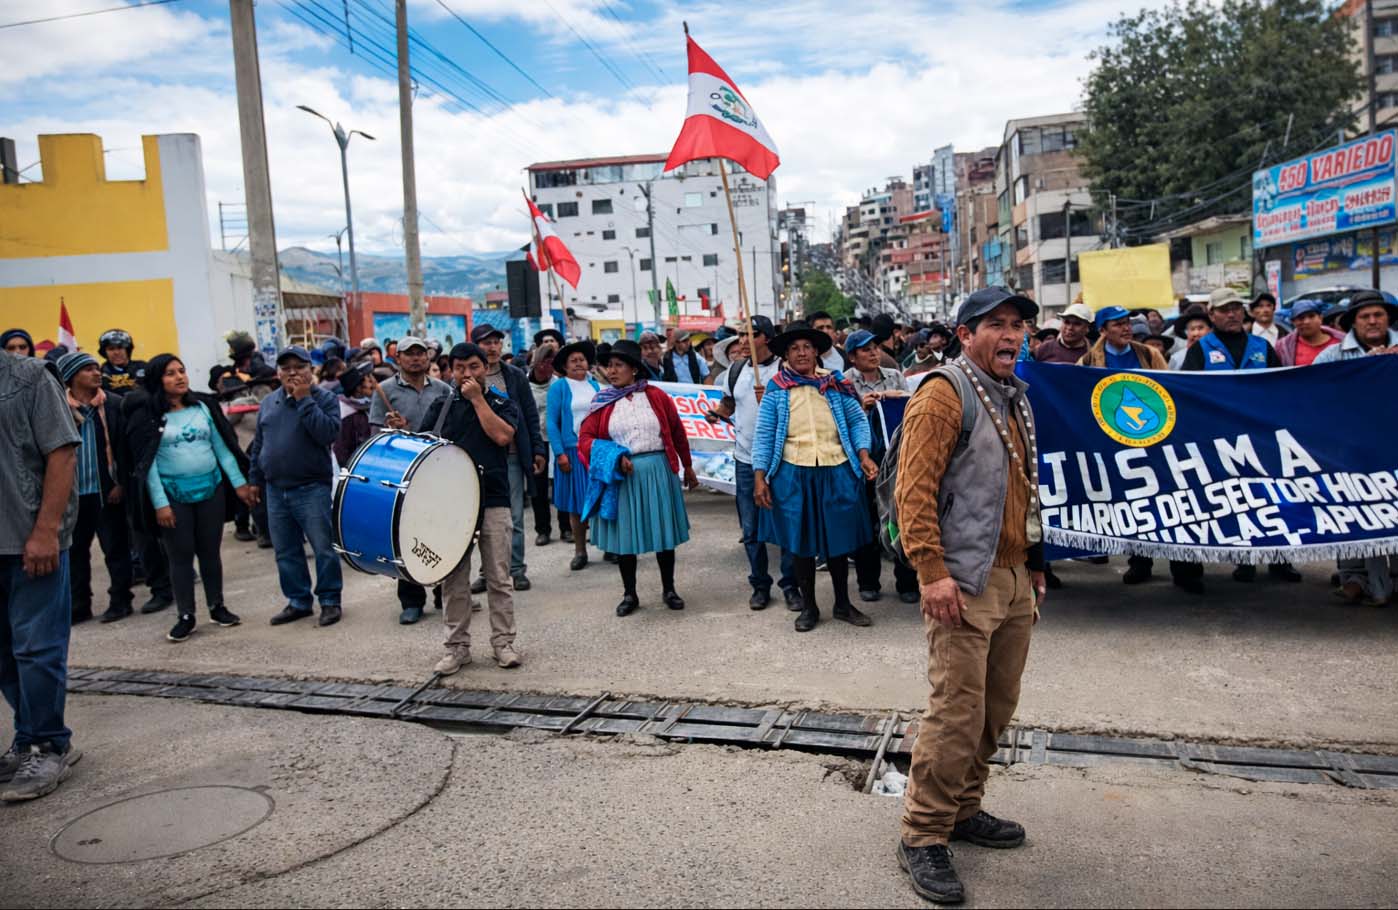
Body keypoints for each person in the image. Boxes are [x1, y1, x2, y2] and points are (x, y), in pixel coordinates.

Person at [894, 287, 1046, 904]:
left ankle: (963, 808)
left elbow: (1024, 487)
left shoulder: (1015, 395)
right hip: (961, 579)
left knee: (995, 708)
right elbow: (914, 494)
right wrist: (931, 573)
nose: (1012, 336)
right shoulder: (943, 393)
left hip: (1011, 577)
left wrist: (1034, 562)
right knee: (956, 711)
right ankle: (923, 833)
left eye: (1019, 326)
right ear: (964, 334)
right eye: (997, 326)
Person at [752, 324, 879, 633]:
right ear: (785, 354)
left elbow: (857, 421)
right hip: (793, 472)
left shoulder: (836, 384)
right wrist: (760, 476)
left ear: (817, 352)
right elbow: (765, 434)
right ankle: (809, 606)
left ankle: (842, 603)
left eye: (807, 347)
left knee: (838, 541)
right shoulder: (777, 388)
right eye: (795, 348)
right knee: (800, 542)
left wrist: (863, 455)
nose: (802, 353)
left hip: (836, 468)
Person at [1166, 287, 1293, 591]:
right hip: (1211, 442)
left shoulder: (1262, 346)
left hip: (1259, 440)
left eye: (1237, 307)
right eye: (1225, 309)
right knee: (1199, 504)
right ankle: (1188, 572)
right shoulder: (1199, 350)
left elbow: (1282, 389)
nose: (1233, 313)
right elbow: (1188, 395)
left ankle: (1277, 559)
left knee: (1268, 501)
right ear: (1212, 315)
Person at [0, 347, 81, 803]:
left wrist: (46, 531)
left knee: (36, 647)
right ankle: (26, 735)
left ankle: (50, 743)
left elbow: (63, 452)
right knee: (4, 654)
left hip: (29, 539)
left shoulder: (30, 377)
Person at [127, 355, 255, 643]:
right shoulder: (147, 415)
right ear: (157, 380)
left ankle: (217, 607)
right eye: (170, 373)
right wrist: (160, 503)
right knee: (181, 556)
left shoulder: (203, 407)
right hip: (174, 496)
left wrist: (239, 484)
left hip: (211, 489)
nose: (179, 377)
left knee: (210, 552)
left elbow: (223, 448)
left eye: (182, 371)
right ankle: (186, 615)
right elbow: (149, 466)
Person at [421, 344, 524, 674]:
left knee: (498, 577)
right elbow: (425, 450)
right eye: (460, 367)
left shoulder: (499, 402)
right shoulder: (441, 406)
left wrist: (478, 399)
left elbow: (503, 437)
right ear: (450, 369)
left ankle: (503, 643)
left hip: (493, 498)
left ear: (485, 367)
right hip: (452, 505)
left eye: (474, 367)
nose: (467, 374)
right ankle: (457, 647)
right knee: (454, 580)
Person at [579, 339, 698, 616]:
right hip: (623, 475)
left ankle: (669, 589)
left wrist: (687, 466)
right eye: (609, 365)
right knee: (626, 538)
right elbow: (585, 440)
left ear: (634, 369)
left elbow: (677, 431)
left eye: (618, 365)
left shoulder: (656, 396)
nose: (612, 371)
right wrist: (614, 457)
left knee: (663, 534)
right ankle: (629, 594)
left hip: (658, 470)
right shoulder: (602, 403)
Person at [703, 317, 803, 611]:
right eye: (740, 335)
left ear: (768, 338)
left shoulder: (785, 370)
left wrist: (773, 395)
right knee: (750, 528)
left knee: (786, 524)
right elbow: (730, 404)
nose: (743, 341)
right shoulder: (734, 371)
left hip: (783, 459)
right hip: (745, 460)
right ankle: (760, 584)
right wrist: (718, 413)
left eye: (752, 335)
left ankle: (790, 585)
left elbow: (801, 405)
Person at [250, 346, 344, 628]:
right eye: (286, 367)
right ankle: (298, 601)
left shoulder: (325, 398)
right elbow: (259, 444)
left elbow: (327, 433)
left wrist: (304, 401)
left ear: (311, 370)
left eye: (299, 367)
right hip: (275, 489)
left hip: (311, 487)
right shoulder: (268, 402)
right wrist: (254, 478)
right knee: (286, 550)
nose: (293, 372)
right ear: (278, 372)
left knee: (323, 548)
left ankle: (329, 601)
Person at [1315, 291, 1398, 606]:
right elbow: (1314, 399)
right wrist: (1367, 368)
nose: (1373, 321)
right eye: (1365, 316)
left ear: (1388, 318)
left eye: (1378, 314)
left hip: (1394, 447)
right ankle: (1355, 578)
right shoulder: (1331, 357)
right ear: (1353, 323)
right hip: (1350, 452)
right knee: (1352, 516)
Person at [369, 336, 453, 623]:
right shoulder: (385, 391)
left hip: (438, 469)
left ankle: (446, 594)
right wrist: (389, 429)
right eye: (409, 354)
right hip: (403, 471)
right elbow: (375, 436)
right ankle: (411, 600)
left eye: (421, 353)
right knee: (405, 535)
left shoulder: (444, 389)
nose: (416, 358)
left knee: (442, 532)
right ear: (398, 359)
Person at [467, 324, 546, 595]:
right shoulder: (467, 378)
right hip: (476, 458)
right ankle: (487, 572)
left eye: (496, 342)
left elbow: (529, 414)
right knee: (480, 519)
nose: (491, 347)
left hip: (511, 455)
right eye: (485, 343)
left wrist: (537, 448)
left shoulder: (514, 376)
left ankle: (515, 569)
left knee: (513, 517)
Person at [57, 352, 134, 625]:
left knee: (115, 548)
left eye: (95, 367)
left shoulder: (113, 404)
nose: (96, 373)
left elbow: (125, 449)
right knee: (75, 552)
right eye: (88, 369)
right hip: (73, 494)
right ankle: (79, 604)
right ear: (72, 376)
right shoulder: (58, 408)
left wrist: (119, 482)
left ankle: (121, 600)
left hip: (106, 491)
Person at [844, 330, 919, 605]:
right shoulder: (844, 383)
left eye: (875, 347)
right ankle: (868, 582)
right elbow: (840, 420)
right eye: (865, 349)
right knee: (866, 523)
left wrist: (894, 396)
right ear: (852, 356)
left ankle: (907, 581)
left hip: (894, 459)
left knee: (899, 518)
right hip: (861, 461)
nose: (873, 353)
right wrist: (860, 408)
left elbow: (910, 408)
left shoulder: (895, 376)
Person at [546, 341, 602, 571]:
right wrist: (559, 453)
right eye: (573, 360)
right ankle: (580, 551)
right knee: (576, 505)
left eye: (582, 359)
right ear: (565, 366)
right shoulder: (559, 387)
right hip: (571, 451)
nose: (579, 363)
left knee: (601, 499)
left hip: (596, 450)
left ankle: (609, 546)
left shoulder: (596, 386)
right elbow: (551, 422)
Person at [528, 329, 566, 547]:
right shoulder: (524, 383)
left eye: (550, 362)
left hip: (556, 440)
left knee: (560, 485)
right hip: (536, 441)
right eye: (542, 362)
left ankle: (565, 527)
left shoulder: (559, 384)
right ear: (535, 363)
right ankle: (542, 529)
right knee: (538, 488)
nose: (546, 366)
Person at [1077, 306, 1168, 369]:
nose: (1126, 328)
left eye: (1127, 322)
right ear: (1102, 331)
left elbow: (1166, 385)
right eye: (1118, 324)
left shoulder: (1150, 354)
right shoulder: (1088, 361)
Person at [1276, 299, 1344, 366]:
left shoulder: (1342, 342)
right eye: (1301, 318)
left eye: (1311, 316)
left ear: (1320, 318)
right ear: (1293, 322)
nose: (1306, 322)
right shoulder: (1283, 348)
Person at [333, 364, 377, 466]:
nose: (373, 383)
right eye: (368, 380)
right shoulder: (347, 414)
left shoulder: (368, 405)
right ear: (358, 388)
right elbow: (342, 453)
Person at [96, 329, 146, 396]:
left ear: (128, 350)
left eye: (120, 348)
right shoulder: (99, 373)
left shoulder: (143, 367)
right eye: (111, 349)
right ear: (104, 353)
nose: (116, 352)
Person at [1168, 305, 1212, 370]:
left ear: (1210, 330)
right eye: (1192, 329)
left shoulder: (1220, 354)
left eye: (1200, 328)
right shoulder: (1176, 358)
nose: (1196, 333)